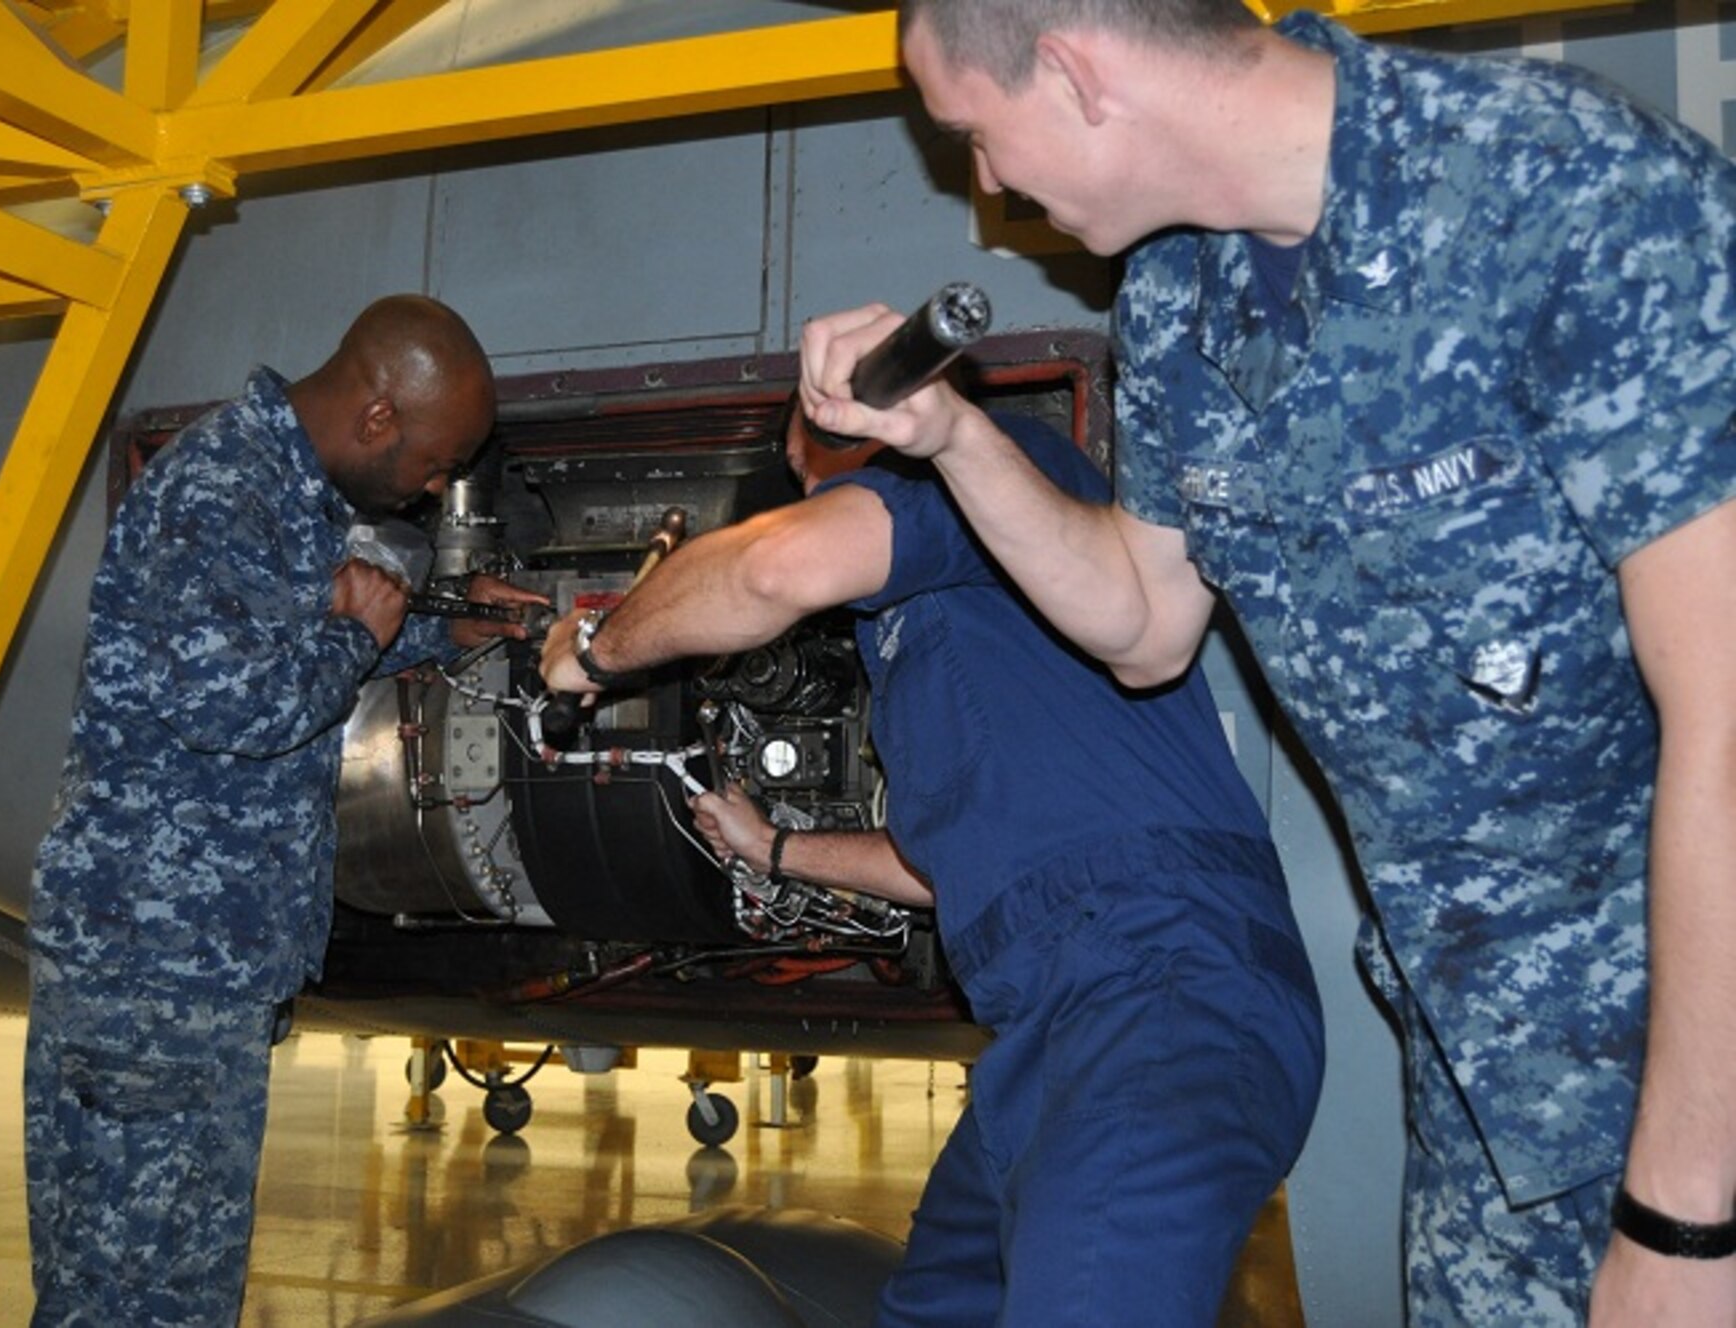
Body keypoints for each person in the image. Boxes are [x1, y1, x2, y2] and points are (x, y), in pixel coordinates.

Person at [795, 3, 1736, 1324]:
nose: (990, 183)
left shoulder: (1573, 196)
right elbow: (1140, 622)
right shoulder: (1183, 299)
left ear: (1070, 71)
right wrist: (950, 436)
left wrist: (1690, 1224)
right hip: (1487, 1078)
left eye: (974, 136)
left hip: (1696, 1087)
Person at [541, 402, 1324, 1325]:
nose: (809, 490)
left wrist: (593, 653)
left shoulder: (996, 480)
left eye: (815, 466)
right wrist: (777, 848)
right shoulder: (921, 641)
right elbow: (943, 863)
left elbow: (773, 565)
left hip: (1162, 985)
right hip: (1047, 1027)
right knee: (932, 1306)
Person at [24, 294, 544, 1327]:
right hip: (152, 968)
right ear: (379, 417)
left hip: (198, 970)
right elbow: (238, 704)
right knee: (131, 1298)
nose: (434, 486)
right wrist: (357, 633)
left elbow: (280, 645)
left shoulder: (280, 492)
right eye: (435, 463)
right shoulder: (221, 490)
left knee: (171, 1292)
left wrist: (444, 629)